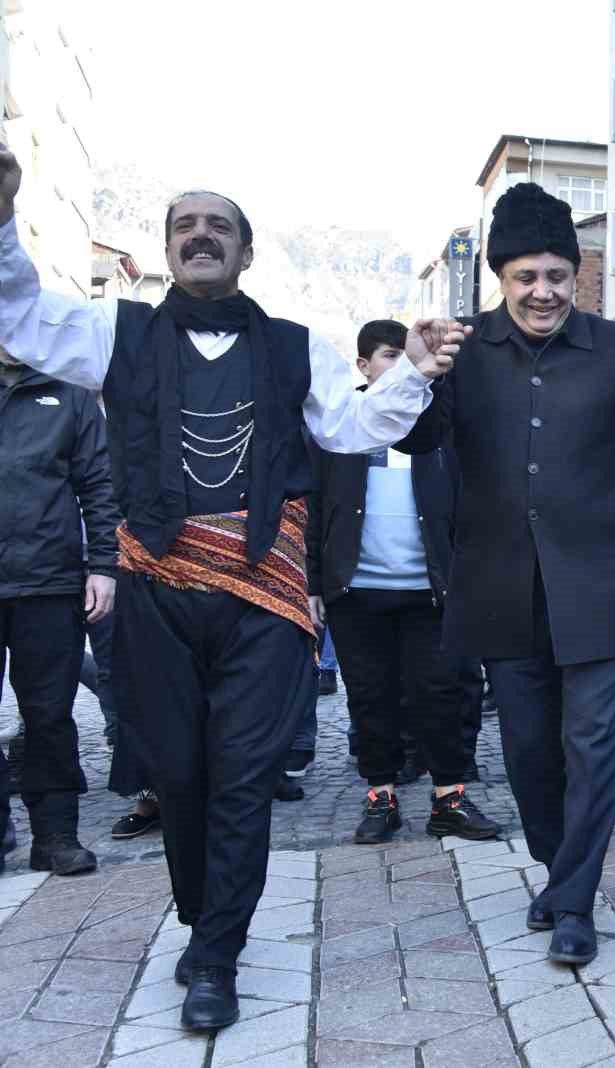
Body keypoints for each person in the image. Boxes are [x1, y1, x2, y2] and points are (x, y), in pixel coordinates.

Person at [0, 152, 462, 1031]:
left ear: (245, 253)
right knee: (179, 773)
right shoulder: (115, 333)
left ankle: (218, 953)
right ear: (170, 250)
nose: (200, 234)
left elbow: (359, 425)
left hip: (265, 597)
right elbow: (18, 316)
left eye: (219, 225)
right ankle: (202, 916)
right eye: (184, 225)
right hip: (155, 596)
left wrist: (418, 371)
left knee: (243, 778)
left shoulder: (296, 347)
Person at [395, 181, 615, 967]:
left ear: (577, 275)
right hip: (502, 591)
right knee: (531, 756)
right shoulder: (463, 352)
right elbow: (417, 439)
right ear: (502, 278)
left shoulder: (614, 349)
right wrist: (417, 374)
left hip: (600, 589)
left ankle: (574, 902)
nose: (543, 292)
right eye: (526, 277)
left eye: (557, 276)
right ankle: (556, 868)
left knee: (596, 747)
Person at [306, 319, 500, 846]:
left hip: (432, 590)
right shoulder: (339, 425)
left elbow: (472, 502)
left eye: (405, 355)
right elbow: (315, 505)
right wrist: (314, 583)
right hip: (356, 590)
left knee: (442, 696)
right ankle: (381, 796)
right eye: (390, 355)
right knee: (370, 698)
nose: (400, 365)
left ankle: (449, 798)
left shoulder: (441, 422)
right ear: (364, 366)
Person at [0, 348, 117, 876]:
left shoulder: (67, 391)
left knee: (49, 716)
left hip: (48, 581)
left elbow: (99, 483)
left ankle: (55, 836)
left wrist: (104, 566)